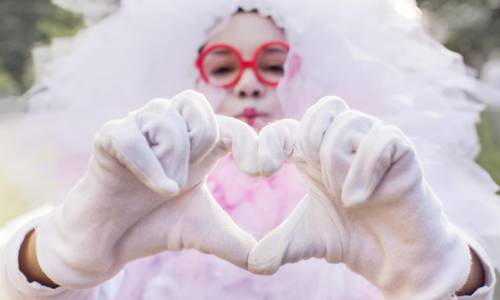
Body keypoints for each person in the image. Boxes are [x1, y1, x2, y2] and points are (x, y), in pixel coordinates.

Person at [1, 0, 500, 299]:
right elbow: (27, 272)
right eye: (222, 67)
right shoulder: (141, 188)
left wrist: (436, 273)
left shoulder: (370, 190)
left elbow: (467, 272)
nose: (248, 86)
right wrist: (53, 256)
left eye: (273, 64)